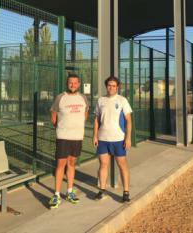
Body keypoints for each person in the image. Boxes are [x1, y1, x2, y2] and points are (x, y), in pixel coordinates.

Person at [48, 74, 89, 209]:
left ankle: (70, 191)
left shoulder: (83, 98)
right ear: (67, 84)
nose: (73, 85)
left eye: (75, 83)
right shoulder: (60, 97)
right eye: (70, 83)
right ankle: (56, 194)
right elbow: (53, 116)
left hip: (77, 137)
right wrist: (61, 128)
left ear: (79, 84)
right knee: (61, 164)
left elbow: (85, 115)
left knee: (71, 163)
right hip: (63, 137)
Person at [93, 76, 132, 202]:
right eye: (109, 85)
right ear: (106, 86)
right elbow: (96, 120)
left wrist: (128, 138)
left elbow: (129, 121)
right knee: (103, 164)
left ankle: (126, 192)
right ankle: (102, 190)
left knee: (122, 165)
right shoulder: (100, 100)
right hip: (103, 139)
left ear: (117, 87)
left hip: (118, 139)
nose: (111, 87)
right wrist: (95, 136)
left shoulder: (122, 100)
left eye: (114, 86)